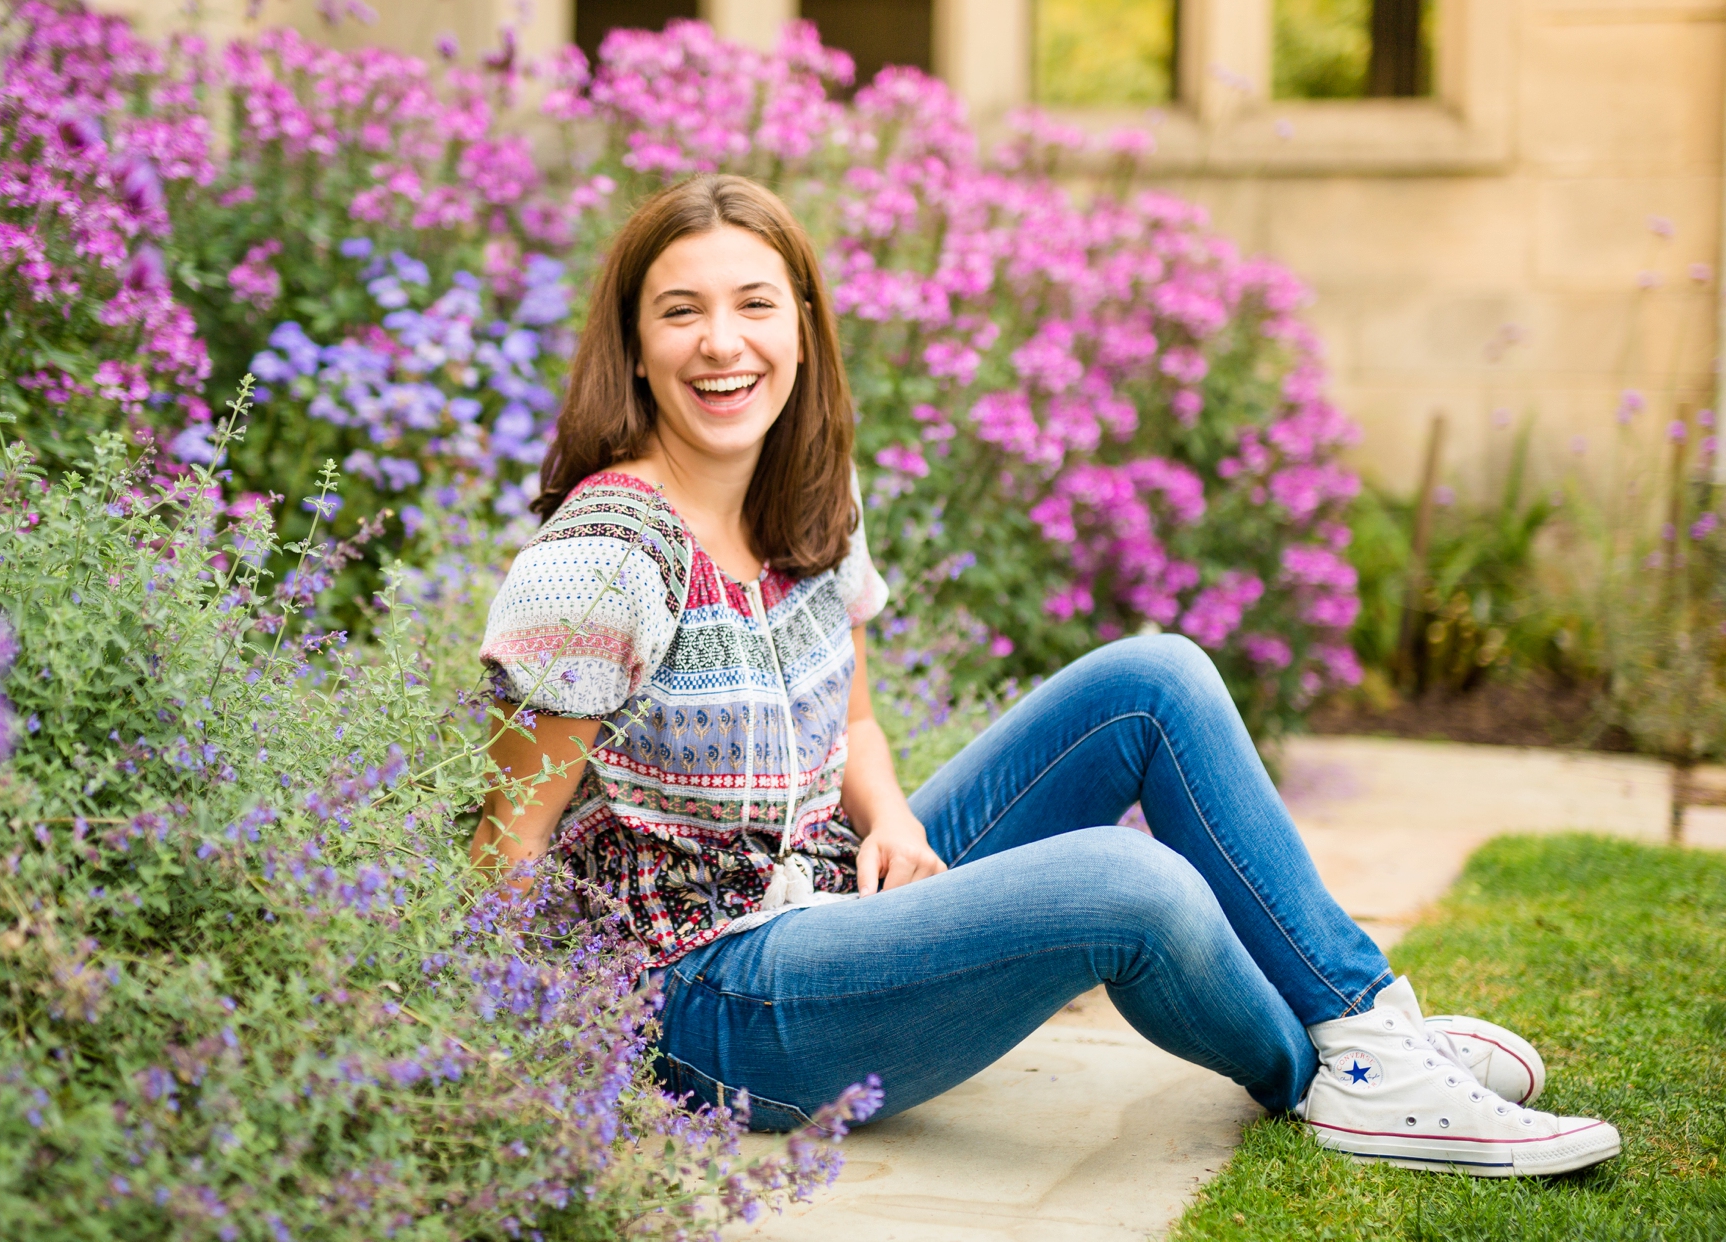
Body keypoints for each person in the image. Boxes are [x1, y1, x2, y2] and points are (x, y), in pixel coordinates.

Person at [471, 174, 1620, 1177]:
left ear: (806, 328)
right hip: (715, 999)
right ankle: (1329, 1075)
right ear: (632, 345)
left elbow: (853, 721)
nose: (722, 341)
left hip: (833, 894)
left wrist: (891, 820)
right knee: (1126, 884)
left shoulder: (810, 495)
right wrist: (502, 1062)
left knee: (1153, 678)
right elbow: (509, 839)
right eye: (681, 311)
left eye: (753, 304)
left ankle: (1363, 1022)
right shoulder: (606, 557)